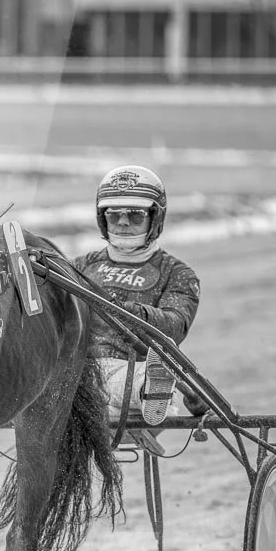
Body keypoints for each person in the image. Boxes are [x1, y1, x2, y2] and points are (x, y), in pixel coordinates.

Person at [73, 165, 201, 454]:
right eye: (113, 214)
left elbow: (174, 326)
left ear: (155, 217)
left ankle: (153, 390)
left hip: (133, 368)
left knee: (142, 375)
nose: (123, 222)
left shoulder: (178, 274)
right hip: (78, 368)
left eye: (135, 214)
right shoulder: (80, 267)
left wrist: (119, 309)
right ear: (102, 217)